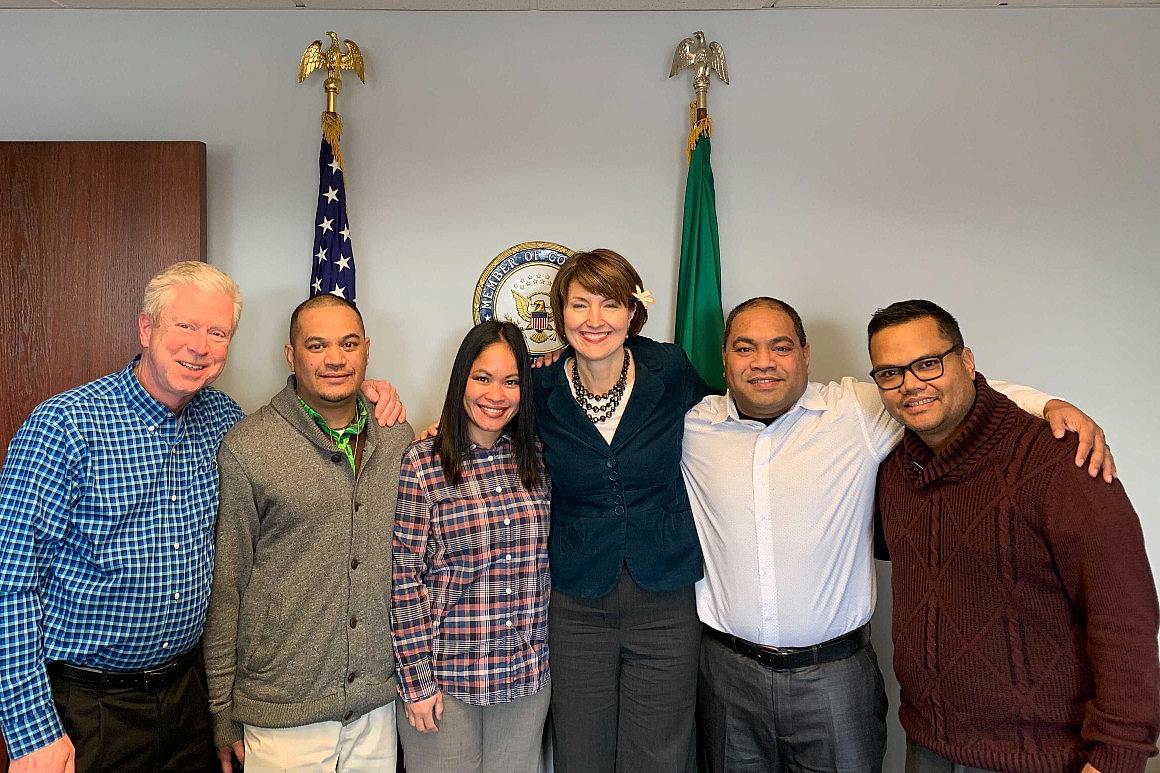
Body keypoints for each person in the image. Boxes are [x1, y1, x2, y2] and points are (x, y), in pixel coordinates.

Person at [0, 261, 405, 773]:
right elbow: (10, 584)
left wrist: (373, 393)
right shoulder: (63, 426)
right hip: (89, 704)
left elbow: (302, 428)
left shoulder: (224, 421)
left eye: (217, 332)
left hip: (186, 695)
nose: (200, 346)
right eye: (185, 327)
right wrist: (31, 731)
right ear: (146, 328)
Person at [681, 296, 1115, 773]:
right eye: (745, 348)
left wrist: (1050, 404)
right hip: (726, 675)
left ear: (806, 354)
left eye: (780, 347)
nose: (763, 362)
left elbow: (950, 392)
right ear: (724, 357)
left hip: (835, 679)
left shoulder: (855, 412)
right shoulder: (692, 427)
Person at [867, 299, 1158, 773]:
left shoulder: (1062, 462)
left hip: (1044, 757)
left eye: (928, 364)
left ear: (966, 361)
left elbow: (1124, 616)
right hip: (928, 746)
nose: (910, 384)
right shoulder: (896, 470)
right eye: (890, 373)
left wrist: (1117, 755)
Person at [203, 294, 414, 773]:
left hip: (376, 705)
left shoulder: (396, 437)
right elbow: (226, 586)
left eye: (348, 343)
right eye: (316, 345)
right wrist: (221, 713)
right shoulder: (249, 446)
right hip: (281, 712)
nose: (335, 358)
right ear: (290, 355)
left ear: (367, 351)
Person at [532, 249, 710, 773]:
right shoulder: (537, 385)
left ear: (632, 313)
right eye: (579, 304)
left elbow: (727, 422)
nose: (594, 320)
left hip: (665, 597)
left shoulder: (669, 368)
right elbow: (480, 424)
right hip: (576, 601)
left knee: (659, 754)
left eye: (609, 305)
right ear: (559, 313)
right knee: (581, 752)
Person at [391, 320, 550, 773]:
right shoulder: (422, 462)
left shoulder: (539, 458)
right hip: (447, 680)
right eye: (482, 378)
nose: (495, 395)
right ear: (461, 379)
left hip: (525, 677)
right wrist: (417, 682)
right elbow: (405, 580)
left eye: (511, 381)